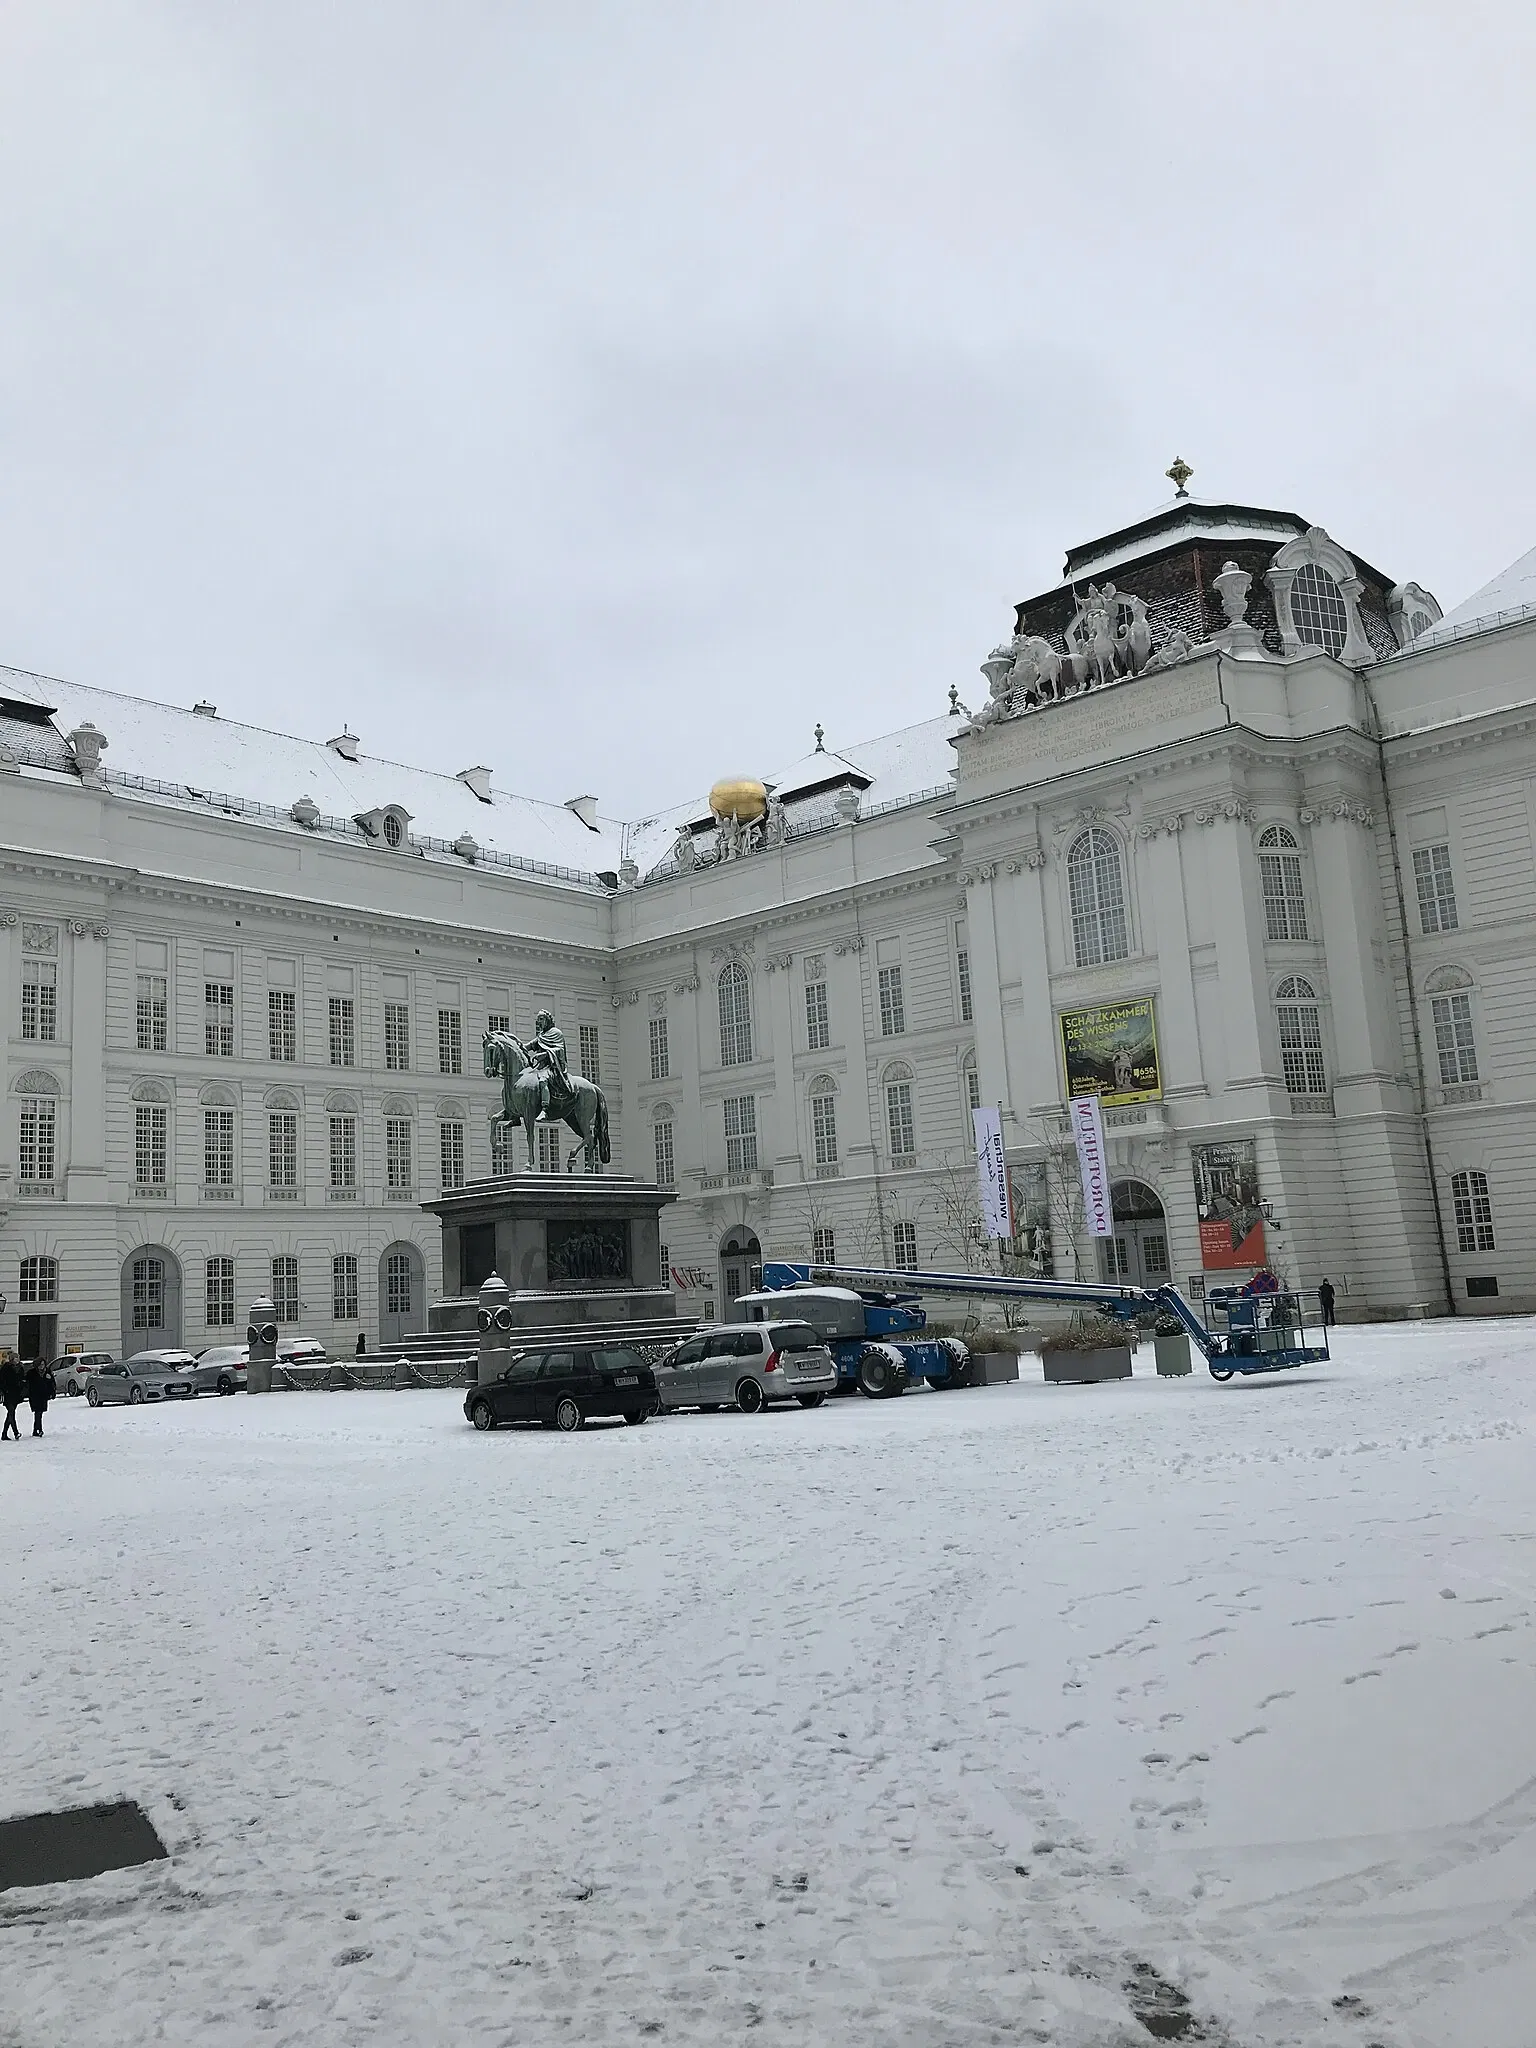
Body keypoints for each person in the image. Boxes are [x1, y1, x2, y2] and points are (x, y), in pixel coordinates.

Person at [530, 1010, 572, 1109]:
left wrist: (545, 1055)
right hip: (540, 1067)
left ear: (547, 1020)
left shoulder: (556, 1033)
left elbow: (560, 1050)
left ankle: (545, 1108)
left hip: (552, 1067)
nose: (539, 1022)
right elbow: (529, 1046)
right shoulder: (541, 1035)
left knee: (543, 1080)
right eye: (537, 1020)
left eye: (541, 1019)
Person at [25, 1359, 55, 1438]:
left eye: (43, 1364)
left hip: (44, 1395)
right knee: (38, 1413)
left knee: (40, 1413)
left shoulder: (47, 1372)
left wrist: (52, 1392)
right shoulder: (31, 1373)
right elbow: (28, 1384)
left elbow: (52, 1383)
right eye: (40, 1365)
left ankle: (36, 1430)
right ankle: (39, 1430)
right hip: (34, 1396)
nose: (42, 1366)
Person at [1, 1353, 25, 1441]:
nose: (17, 1360)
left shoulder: (20, 1368)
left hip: (16, 1394)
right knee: (11, 1412)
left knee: (10, 1414)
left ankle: (4, 1434)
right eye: (15, 1358)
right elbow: (2, 1381)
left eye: (18, 1358)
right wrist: (4, 1390)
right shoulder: (6, 1368)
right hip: (8, 1394)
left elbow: (22, 1379)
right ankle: (16, 1432)